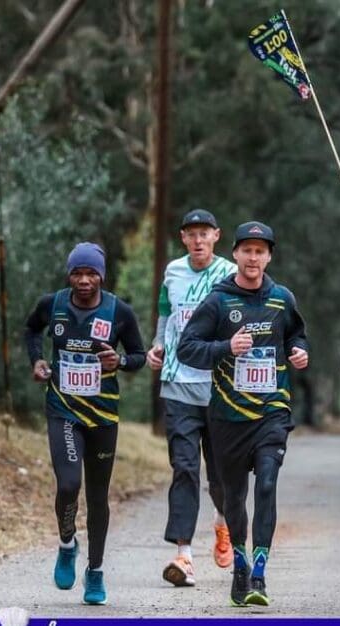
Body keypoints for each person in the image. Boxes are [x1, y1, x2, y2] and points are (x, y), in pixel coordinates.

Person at [177, 221, 309, 608]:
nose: (253, 258)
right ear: (234, 254)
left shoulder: (282, 299)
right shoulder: (219, 301)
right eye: (247, 250)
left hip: (271, 411)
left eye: (261, 251)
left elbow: (296, 336)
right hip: (228, 417)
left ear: (269, 256)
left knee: (267, 484)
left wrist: (300, 351)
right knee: (232, 498)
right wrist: (225, 347)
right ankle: (239, 562)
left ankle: (260, 575)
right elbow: (188, 349)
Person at [24, 242, 147, 605]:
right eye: (77, 272)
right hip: (63, 407)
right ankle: (67, 544)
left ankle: (95, 571)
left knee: (97, 497)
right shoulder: (54, 304)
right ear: (69, 274)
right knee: (68, 484)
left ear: (101, 276)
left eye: (91, 273)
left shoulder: (118, 311)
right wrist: (37, 361)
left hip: (103, 415)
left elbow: (138, 356)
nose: (83, 280)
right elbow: (32, 330)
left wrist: (119, 362)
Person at [147, 209, 236, 587]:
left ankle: (222, 521)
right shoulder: (173, 272)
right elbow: (166, 316)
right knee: (184, 467)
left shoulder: (230, 274)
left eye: (205, 234)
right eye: (191, 234)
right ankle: (183, 555)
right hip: (178, 383)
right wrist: (156, 346)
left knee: (219, 474)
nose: (198, 240)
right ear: (183, 238)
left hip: (218, 385)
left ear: (216, 236)